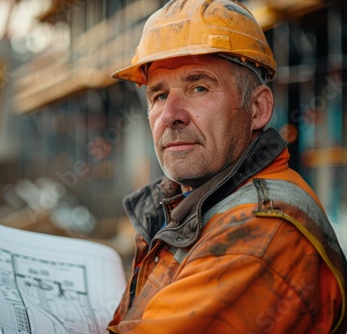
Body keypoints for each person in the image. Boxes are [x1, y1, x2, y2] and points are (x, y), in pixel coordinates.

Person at [107, 0, 347, 333]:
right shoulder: (196, 206)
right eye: (159, 95)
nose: (170, 114)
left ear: (258, 108)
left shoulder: (259, 233)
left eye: (199, 87)